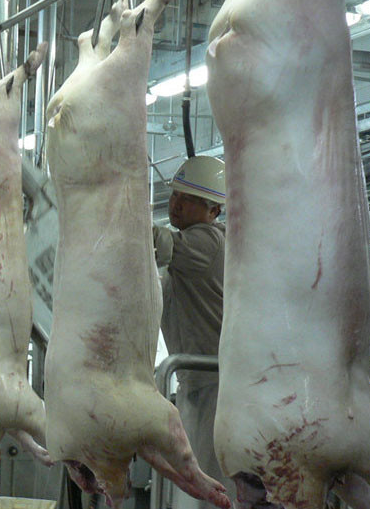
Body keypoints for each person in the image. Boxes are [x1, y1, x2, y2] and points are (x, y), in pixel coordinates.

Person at [152, 156, 232, 509]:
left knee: (212, 490)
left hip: (216, 387)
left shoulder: (209, 242)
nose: (176, 204)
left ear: (214, 210)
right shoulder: (186, 257)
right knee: (191, 489)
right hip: (194, 385)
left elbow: (156, 241)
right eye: (174, 195)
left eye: (188, 199)